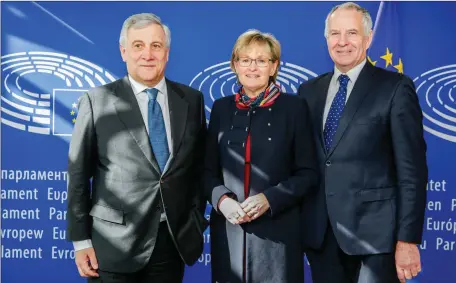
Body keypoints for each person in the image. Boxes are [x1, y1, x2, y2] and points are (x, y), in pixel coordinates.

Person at [66, 13, 207, 283]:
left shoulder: (191, 100)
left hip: (171, 242)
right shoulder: (97, 101)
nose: (147, 54)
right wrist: (80, 240)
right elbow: (78, 176)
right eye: (138, 45)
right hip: (112, 244)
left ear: (166, 52)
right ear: (123, 52)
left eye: (156, 46)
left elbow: (198, 168)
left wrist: (194, 219)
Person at [298, 2, 428, 283]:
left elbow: (412, 171)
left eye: (352, 33)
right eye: (335, 34)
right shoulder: (307, 91)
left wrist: (407, 240)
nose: (342, 42)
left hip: (376, 240)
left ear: (368, 39)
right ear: (326, 39)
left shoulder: (395, 87)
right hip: (323, 237)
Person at [204, 29, 318, 283]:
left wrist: (269, 198)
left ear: (274, 66)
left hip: (278, 237)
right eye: (245, 59)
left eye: (261, 60)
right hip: (229, 233)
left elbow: (308, 174)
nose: (252, 67)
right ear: (235, 65)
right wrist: (221, 200)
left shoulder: (294, 108)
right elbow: (206, 171)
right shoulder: (222, 108)